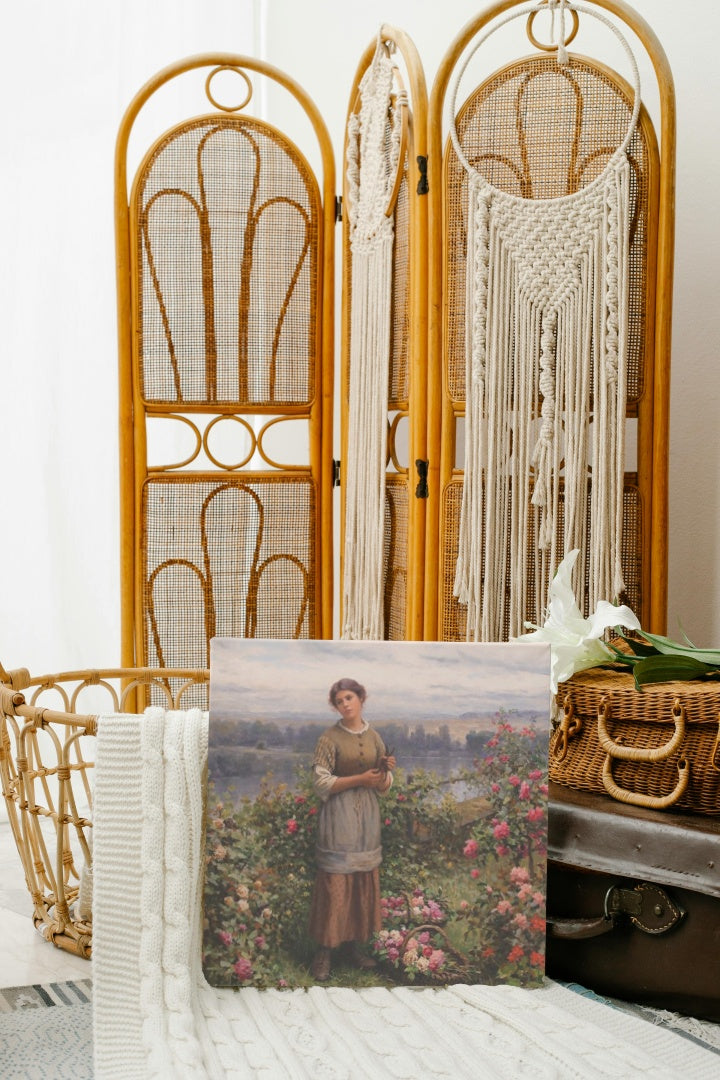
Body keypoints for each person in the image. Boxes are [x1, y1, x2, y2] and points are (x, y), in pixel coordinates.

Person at [308, 677, 396, 982]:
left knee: (360, 880)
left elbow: (384, 787)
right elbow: (320, 782)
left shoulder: (374, 737)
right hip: (338, 817)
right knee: (336, 882)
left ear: (361, 699)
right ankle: (324, 953)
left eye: (349, 698)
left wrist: (385, 772)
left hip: (367, 821)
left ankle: (352, 948)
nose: (345, 705)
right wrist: (360, 779)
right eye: (339, 701)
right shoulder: (328, 739)